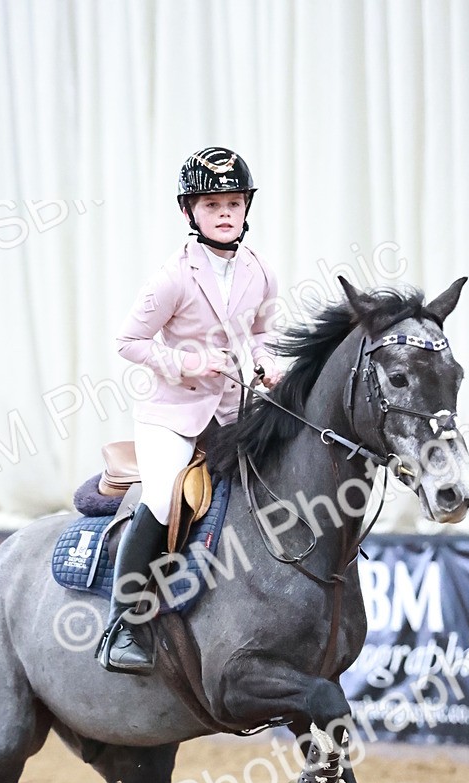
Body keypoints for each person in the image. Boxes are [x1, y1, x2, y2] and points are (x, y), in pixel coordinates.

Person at [96, 146, 281, 675]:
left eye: (233, 202)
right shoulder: (172, 277)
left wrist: (271, 367)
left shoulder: (261, 271)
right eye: (211, 204)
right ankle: (125, 622)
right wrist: (186, 361)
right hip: (171, 415)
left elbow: (263, 333)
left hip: (231, 410)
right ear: (189, 213)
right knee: (162, 498)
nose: (225, 212)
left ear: (246, 208)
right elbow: (128, 340)